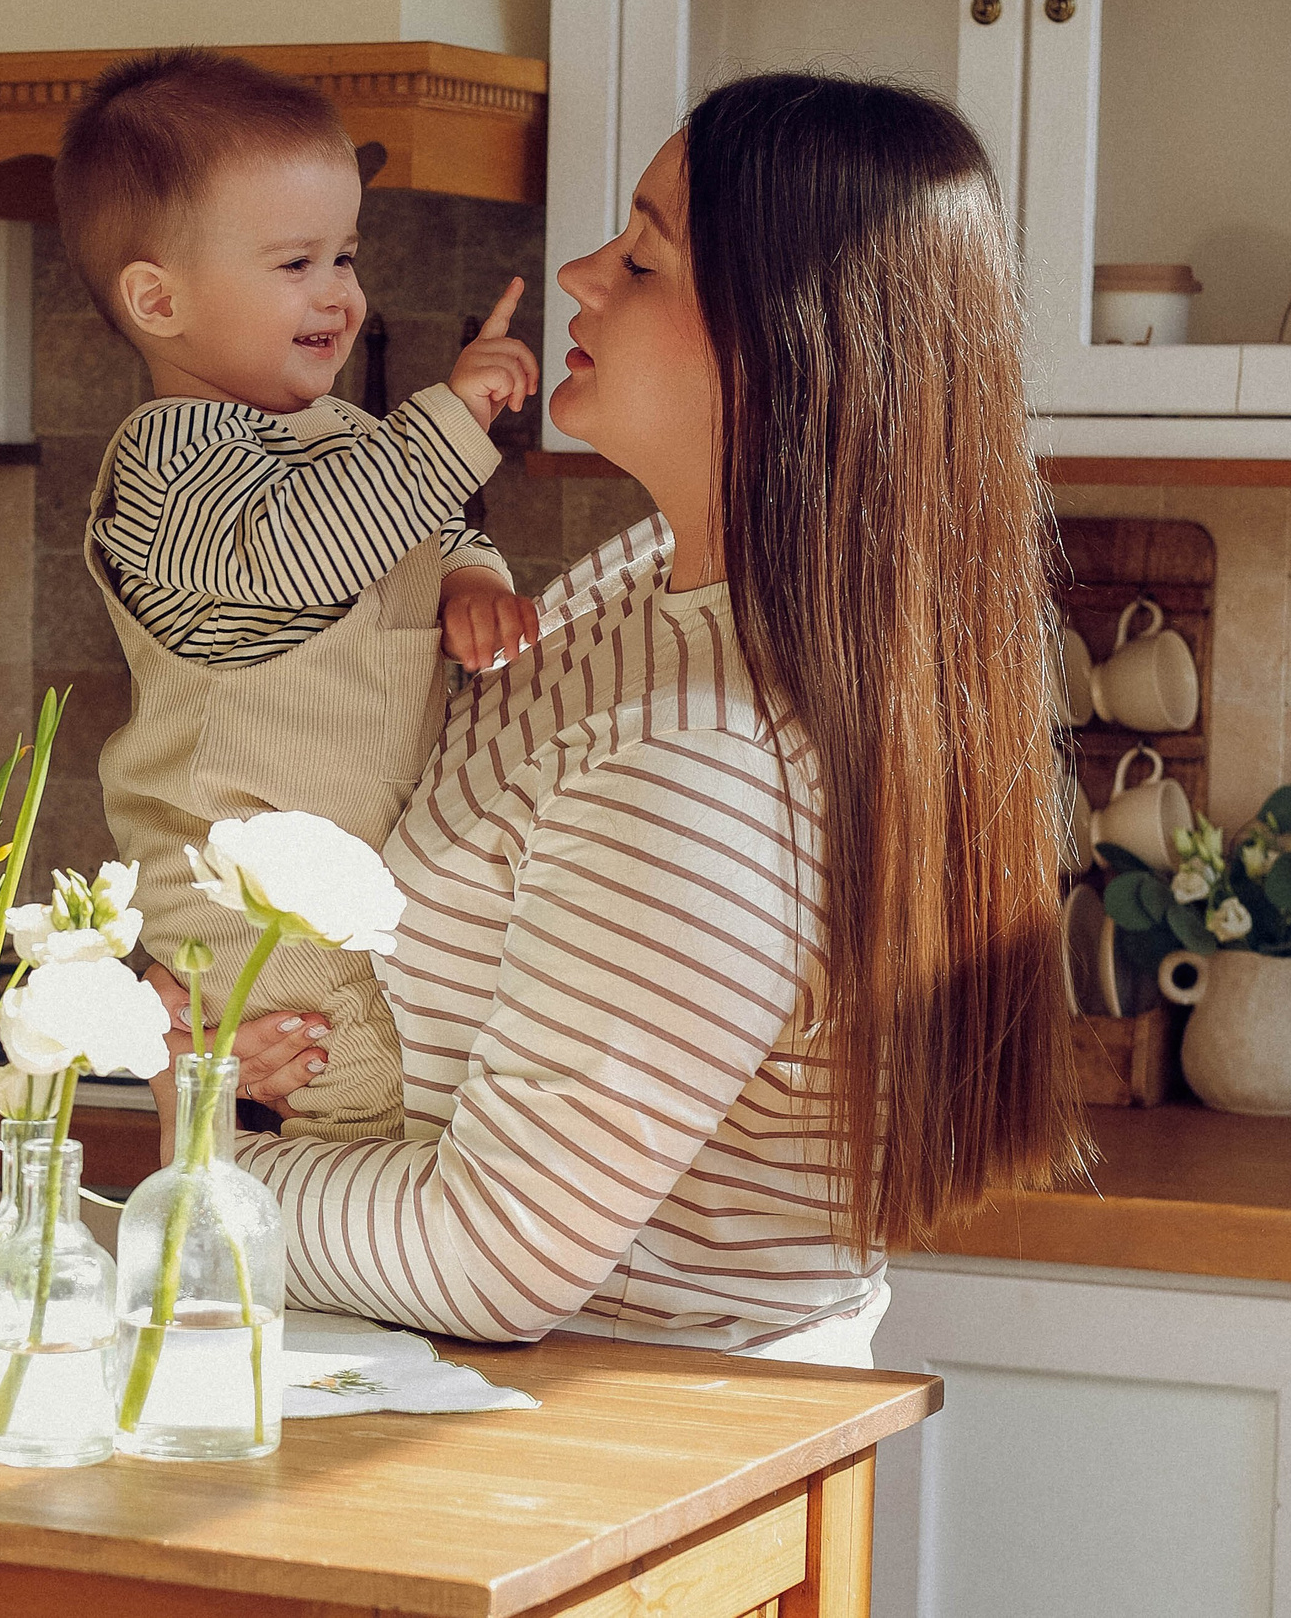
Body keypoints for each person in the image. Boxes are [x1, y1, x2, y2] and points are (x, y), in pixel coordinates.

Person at [160, 73, 1086, 1367]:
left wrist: (197, 1160)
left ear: (783, 344)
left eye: (643, 259)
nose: (585, 272)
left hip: (611, 1476)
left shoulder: (702, 758)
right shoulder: (647, 583)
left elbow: (489, 1256)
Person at [59, 48, 545, 1143]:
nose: (339, 291)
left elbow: (418, 527)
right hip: (247, 917)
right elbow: (299, 556)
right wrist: (455, 422)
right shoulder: (168, 459)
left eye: (346, 253)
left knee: (372, 1133)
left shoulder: (341, 442)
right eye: (295, 262)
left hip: (339, 904)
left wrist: (473, 574)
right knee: (342, 1122)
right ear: (157, 298)